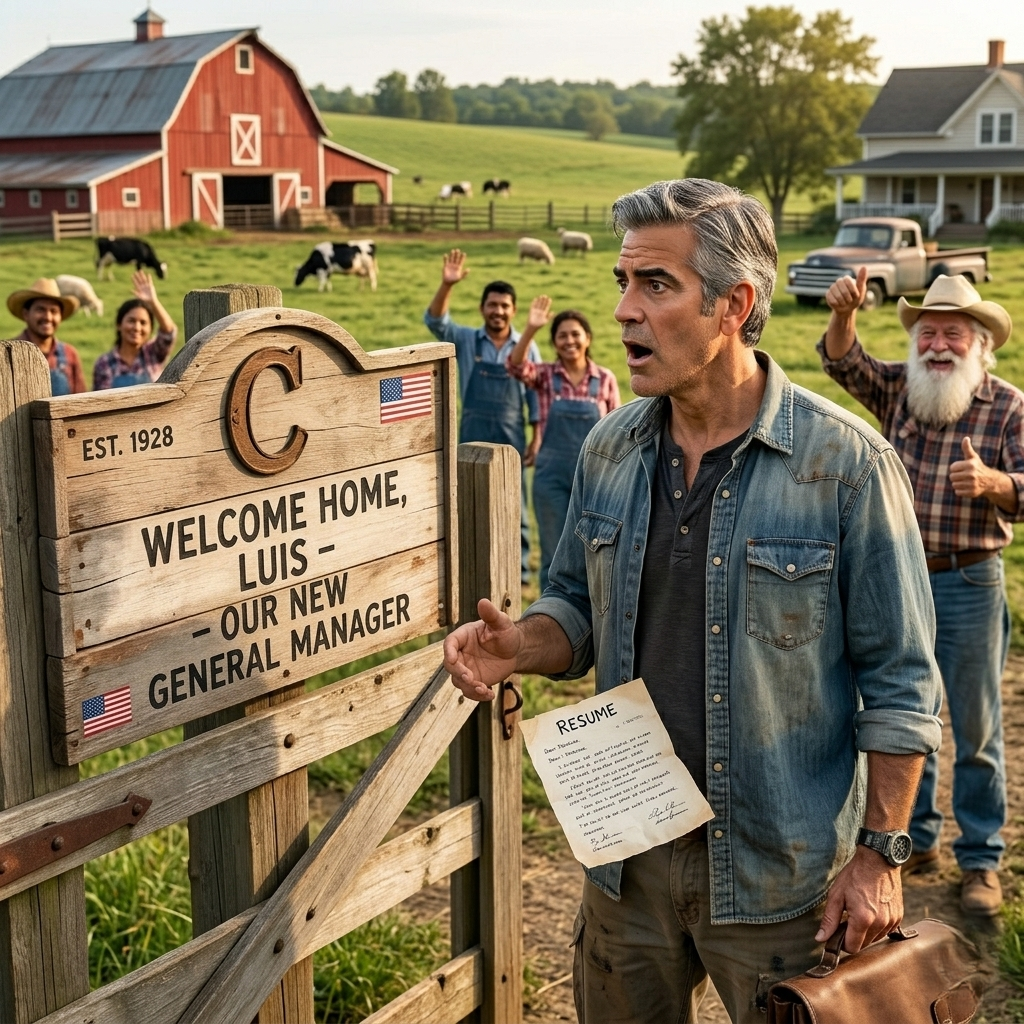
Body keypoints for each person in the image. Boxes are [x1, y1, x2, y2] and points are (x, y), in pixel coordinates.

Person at [443, 179, 943, 1024]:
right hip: (627, 858)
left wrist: (882, 857)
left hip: (779, 879)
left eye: (657, 285)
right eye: (622, 283)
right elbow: (575, 607)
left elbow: (901, 685)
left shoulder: (846, 466)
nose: (625, 312)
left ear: (733, 305)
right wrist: (519, 644)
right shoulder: (609, 448)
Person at [819, 268, 1020, 917]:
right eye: (928, 331)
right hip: (899, 578)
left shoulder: (1008, 406)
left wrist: (995, 484)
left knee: (977, 724)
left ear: (979, 342)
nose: (937, 344)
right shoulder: (902, 391)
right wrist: (845, 313)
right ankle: (921, 837)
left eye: (952, 333)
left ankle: (982, 857)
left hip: (968, 578)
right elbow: (844, 363)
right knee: (911, 713)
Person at [424, 249, 541, 584]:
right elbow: (435, 322)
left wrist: (537, 434)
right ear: (482, 309)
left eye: (505, 306)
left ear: (513, 311)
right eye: (492, 305)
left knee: (515, 501)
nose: (498, 311)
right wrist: (447, 285)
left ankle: (519, 570)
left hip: (512, 431)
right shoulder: (464, 338)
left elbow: (534, 392)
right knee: (468, 496)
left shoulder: (527, 346)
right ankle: (469, 562)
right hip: (472, 428)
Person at [507, 296, 621, 589]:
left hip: (597, 479)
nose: (569, 340)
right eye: (561, 335)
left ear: (587, 338)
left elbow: (617, 433)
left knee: (595, 553)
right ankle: (550, 621)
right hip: (551, 479)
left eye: (575, 334)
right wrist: (531, 328)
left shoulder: (605, 380)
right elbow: (515, 365)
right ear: (554, 343)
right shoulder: (545, 375)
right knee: (553, 554)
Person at [93, 271, 177, 389]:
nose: (137, 328)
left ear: (150, 329)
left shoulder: (153, 354)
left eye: (143, 323)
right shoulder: (104, 363)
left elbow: (169, 332)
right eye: (131, 321)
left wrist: (153, 302)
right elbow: (99, 403)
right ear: (119, 324)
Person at [5, 277, 86, 394]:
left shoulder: (70, 355)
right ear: (26, 314)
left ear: (60, 317)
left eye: (54, 311)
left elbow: (82, 401)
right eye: (40, 310)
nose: (48, 317)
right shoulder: (7, 353)